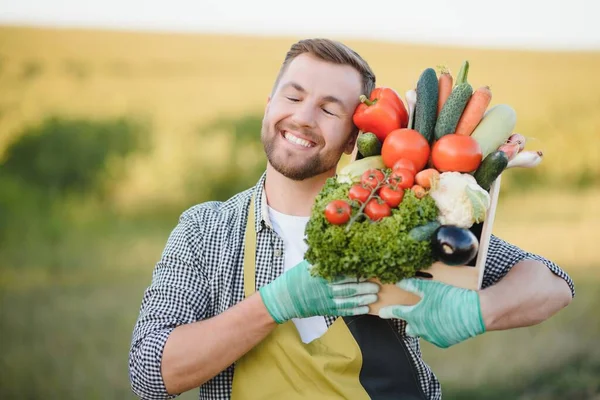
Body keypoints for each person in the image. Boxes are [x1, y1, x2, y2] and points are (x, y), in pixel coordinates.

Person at [128, 38, 575, 400]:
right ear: (269, 105)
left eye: (328, 109)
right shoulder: (207, 231)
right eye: (294, 96)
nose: (302, 118)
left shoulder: (396, 211)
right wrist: (273, 306)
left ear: (352, 139)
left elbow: (553, 284)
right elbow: (150, 372)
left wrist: (479, 311)